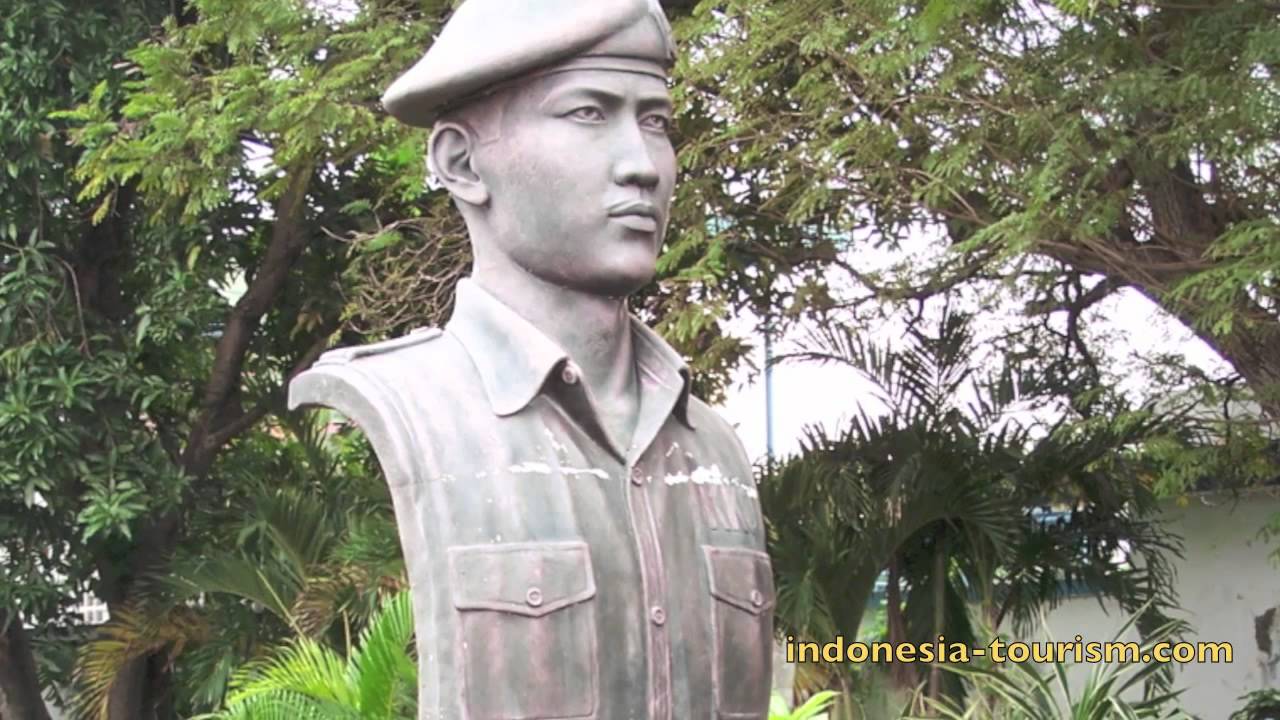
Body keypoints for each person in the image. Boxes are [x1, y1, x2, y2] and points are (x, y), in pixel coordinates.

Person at [290, 1, 774, 718]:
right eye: (587, 113)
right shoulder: (396, 414)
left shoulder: (715, 450)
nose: (642, 165)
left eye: (656, 122)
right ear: (462, 163)